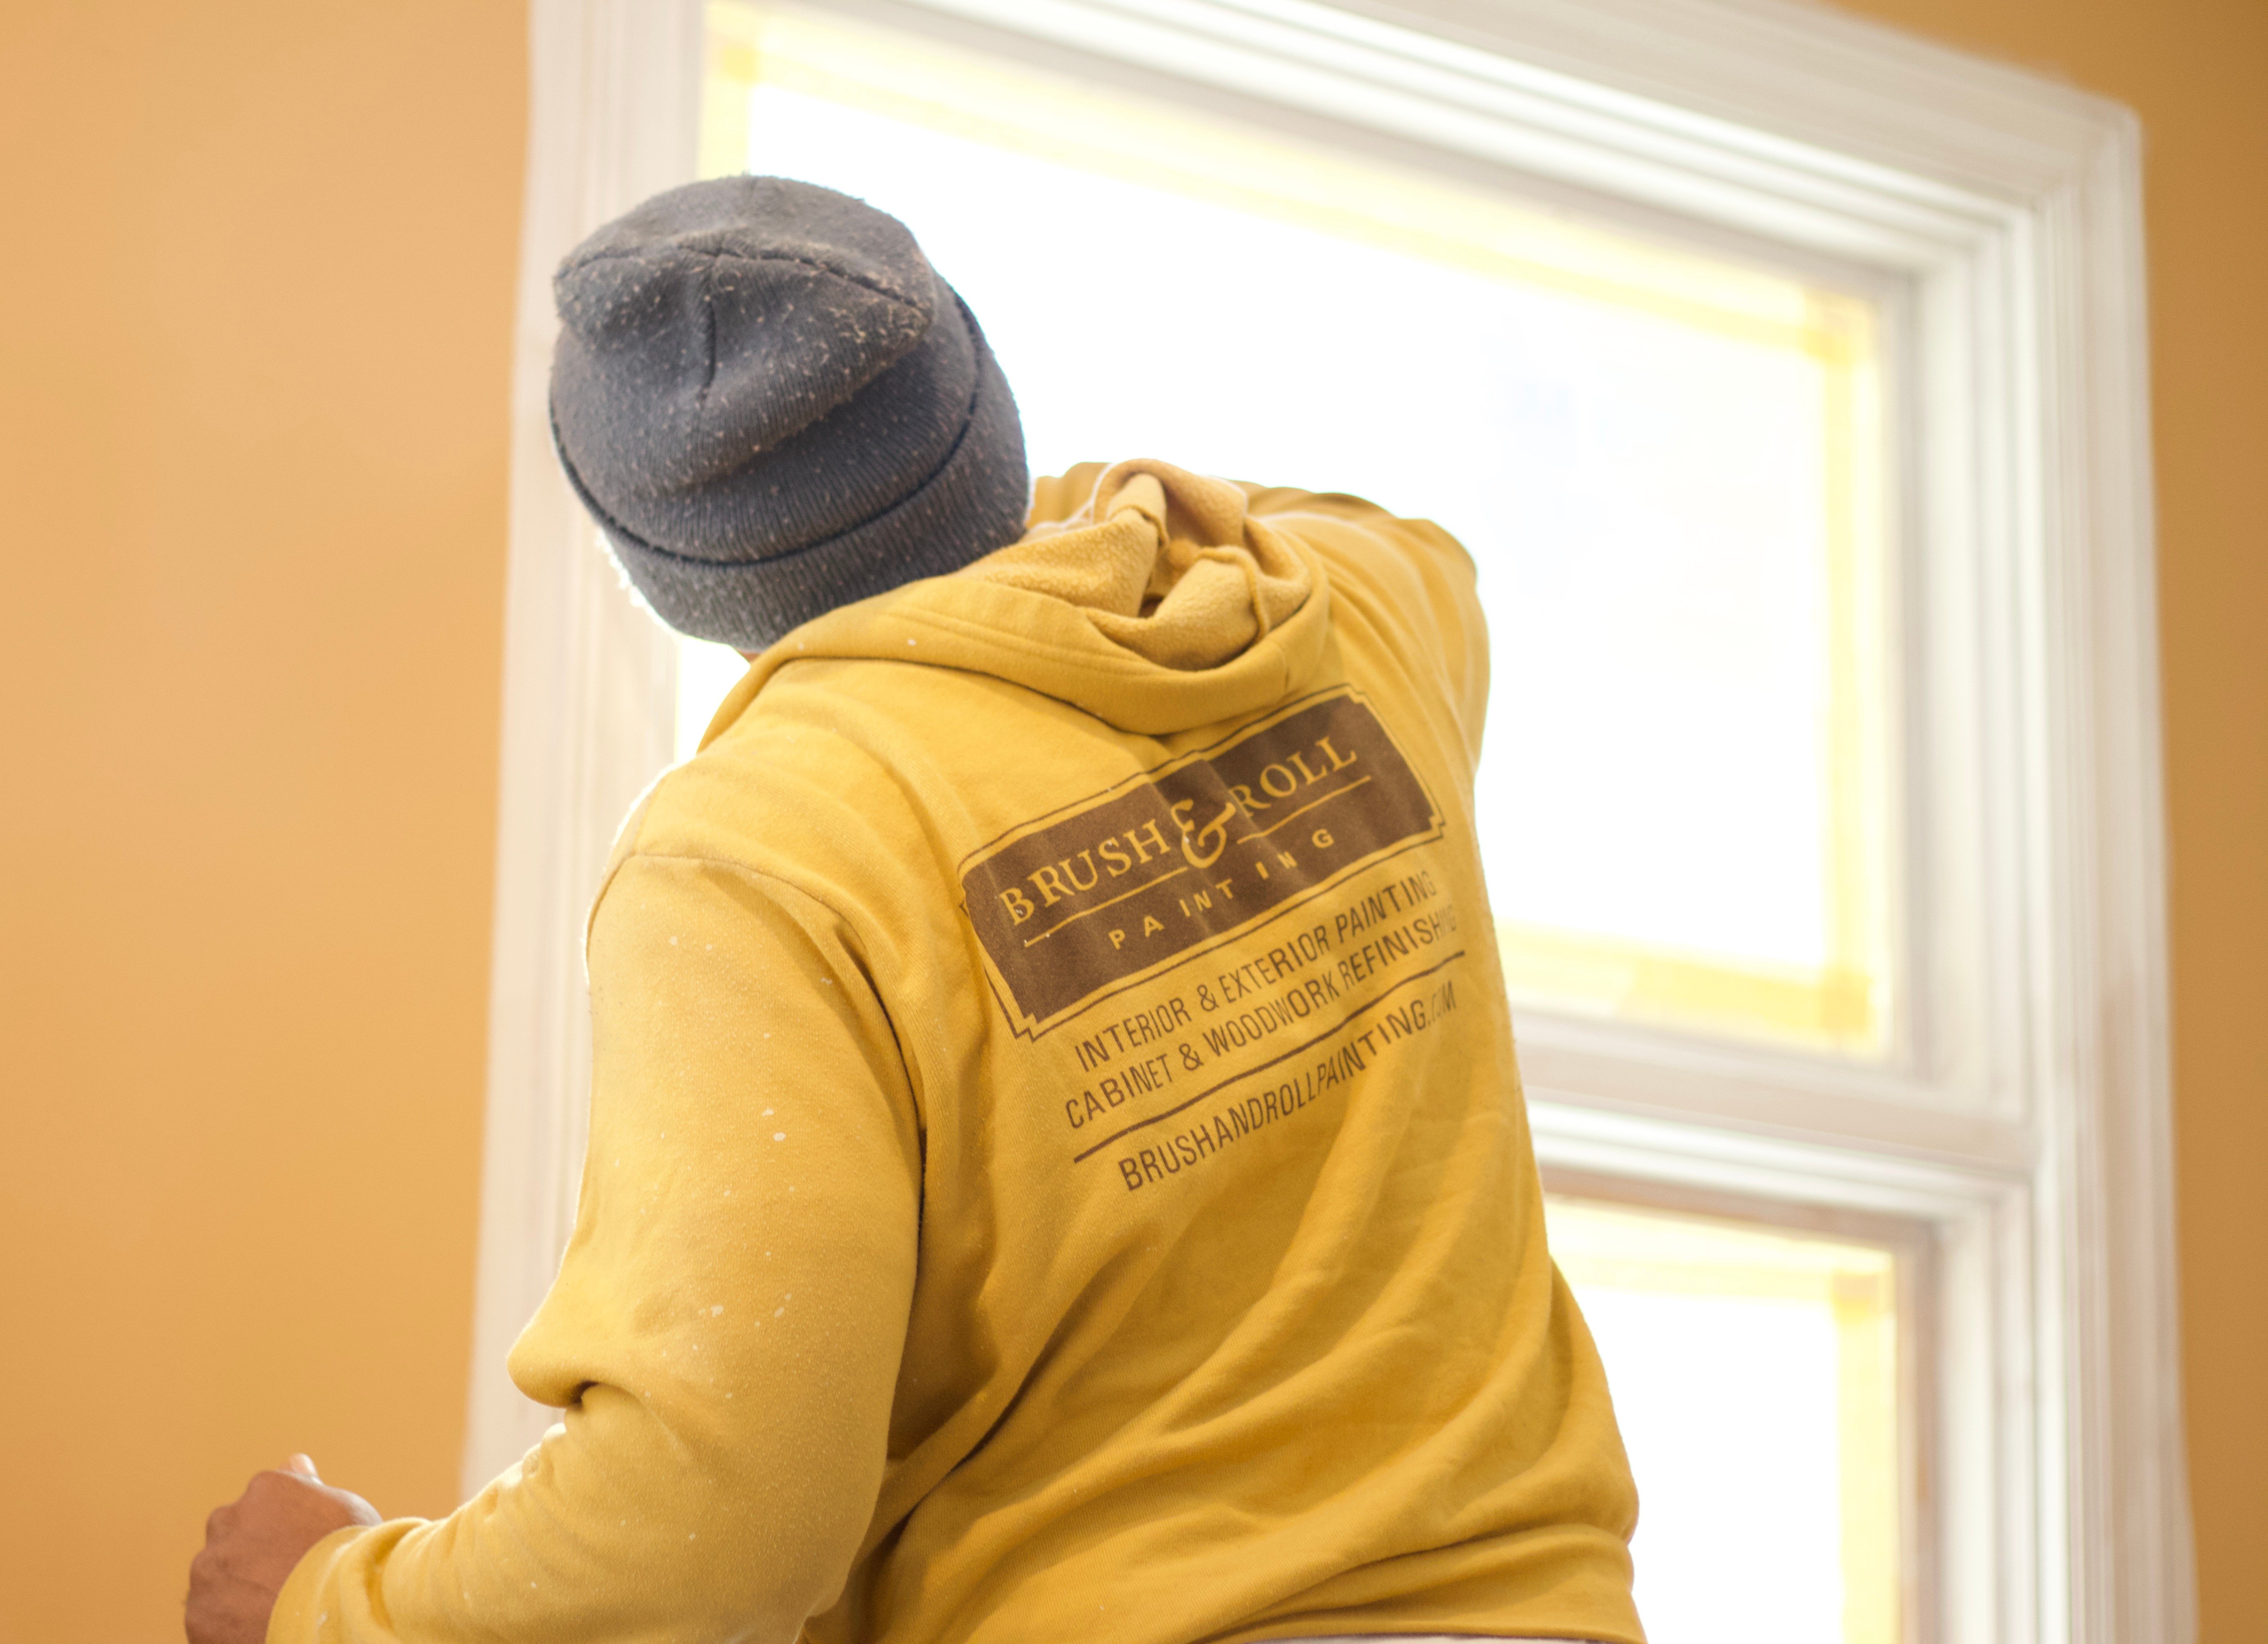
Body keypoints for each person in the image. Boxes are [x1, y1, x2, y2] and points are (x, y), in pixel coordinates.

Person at [187, 175, 1644, 1644]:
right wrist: (1011, 506)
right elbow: (1386, 544)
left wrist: (326, 1600)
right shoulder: (1348, 610)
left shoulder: (767, 851)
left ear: (670, 570)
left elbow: (710, 1528)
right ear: (974, 391)